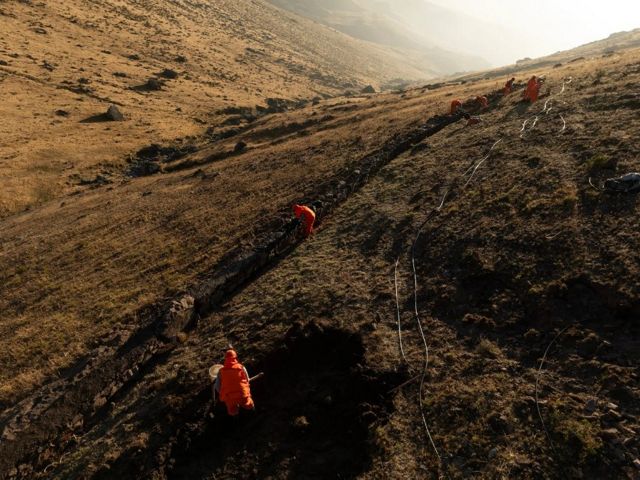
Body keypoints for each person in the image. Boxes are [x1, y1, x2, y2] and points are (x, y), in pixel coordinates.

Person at [215, 349, 254, 416]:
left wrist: (224, 392)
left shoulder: (221, 371)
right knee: (249, 404)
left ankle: (236, 420)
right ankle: (252, 413)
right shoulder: (241, 367)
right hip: (243, 394)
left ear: (226, 359)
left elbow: (217, 386)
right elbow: (247, 380)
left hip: (229, 397)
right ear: (235, 357)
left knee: (232, 410)